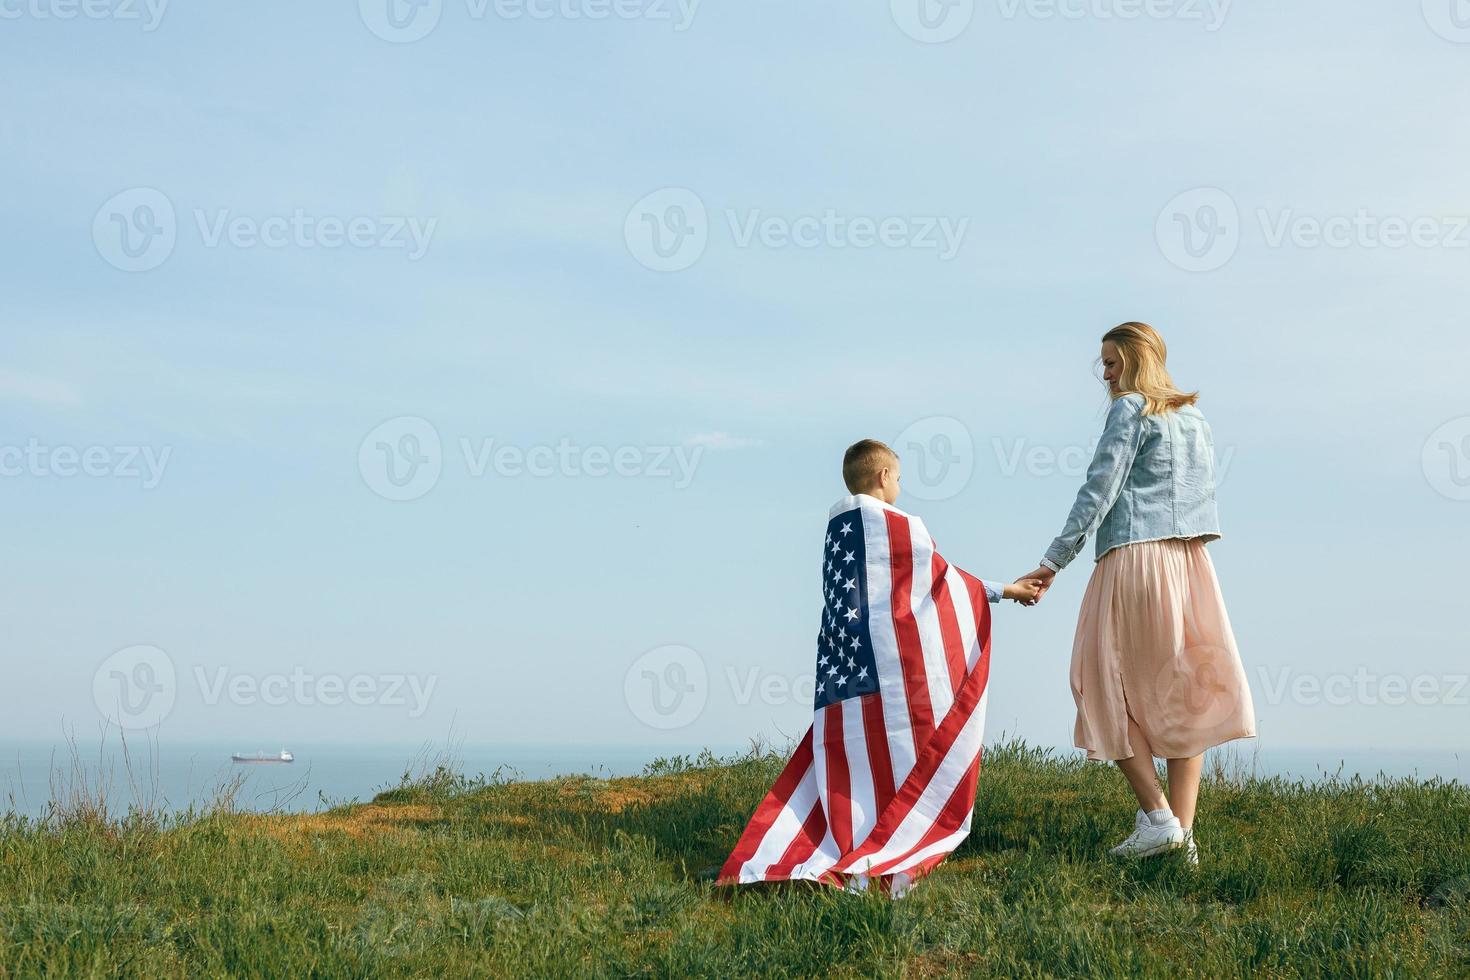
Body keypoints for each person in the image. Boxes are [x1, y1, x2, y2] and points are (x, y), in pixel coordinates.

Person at [1016, 323, 1256, 865]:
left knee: (1097, 680)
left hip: (1133, 557)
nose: (1104, 375)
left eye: (1110, 362)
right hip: (1190, 562)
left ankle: (1159, 818)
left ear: (1134, 358)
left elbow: (1098, 489)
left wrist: (1053, 561)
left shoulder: (1131, 410)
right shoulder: (1194, 418)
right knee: (1183, 688)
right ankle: (1181, 838)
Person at [844, 439, 1043, 607]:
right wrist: (1012, 591)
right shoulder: (896, 531)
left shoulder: (845, 533)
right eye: (898, 479)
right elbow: (945, 582)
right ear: (884, 476)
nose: (899, 487)